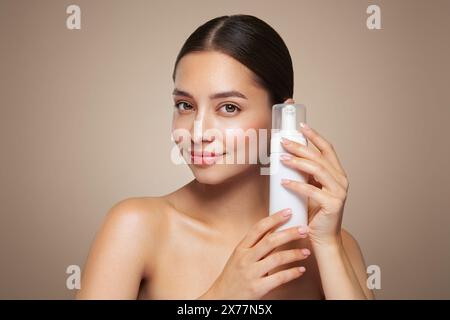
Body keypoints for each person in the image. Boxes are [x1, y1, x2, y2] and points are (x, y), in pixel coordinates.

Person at [76, 14, 375, 300]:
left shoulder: (334, 244)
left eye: (228, 107)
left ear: (282, 118)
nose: (197, 131)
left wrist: (328, 245)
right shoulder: (136, 227)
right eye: (185, 105)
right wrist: (221, 296)